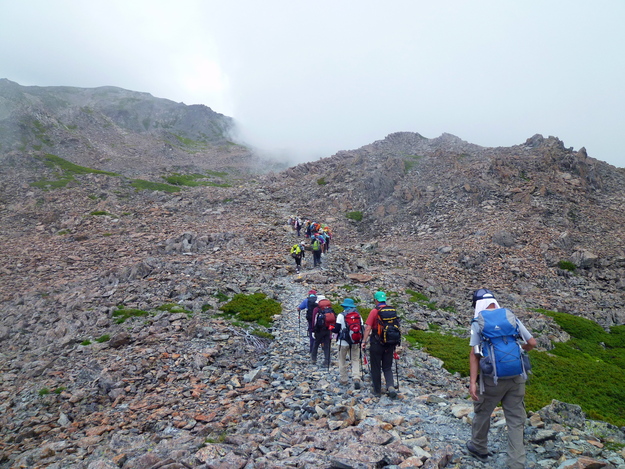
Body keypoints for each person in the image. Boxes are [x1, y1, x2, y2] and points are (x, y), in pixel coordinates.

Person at [467, 289, 536, 468]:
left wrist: (472, 382)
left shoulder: (479, 322)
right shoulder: (510, 317)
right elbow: (532, 343)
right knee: (515, 419)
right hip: (516, 376)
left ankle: (479, 447)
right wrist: (519, 351)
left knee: (483, 412)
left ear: (478, 305)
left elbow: (474, 354)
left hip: (492, 378)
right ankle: (516, 462)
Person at [361, 291, 399, 398]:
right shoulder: (391, 310)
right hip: (390, 343)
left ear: (376, 300)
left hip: (376, 342)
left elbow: (368, 328)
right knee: (387, 367)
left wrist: (364, 341)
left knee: (376, 366)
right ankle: (390, 386)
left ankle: (377, 390)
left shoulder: (374, 311)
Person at [333, 298, 363, 389]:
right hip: (355, 341)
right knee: (355, 359)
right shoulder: (358, 315)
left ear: (344, 306)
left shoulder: (340, 315)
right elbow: (362, 328)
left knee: (342, 360)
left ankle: (344, 379)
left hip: (342, 342)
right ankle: (356, 377)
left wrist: (331, 329)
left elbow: (337, 330)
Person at [311, 295, 335, 368]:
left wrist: (313, 330)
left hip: (319, 330)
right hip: (328, 329)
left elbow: (314, 320)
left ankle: (314, 359)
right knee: (327, 345)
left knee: (316, 343)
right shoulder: (330, 309)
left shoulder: (316, 309)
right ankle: (327, 361)